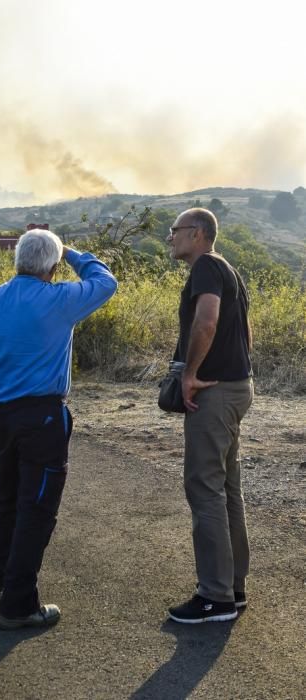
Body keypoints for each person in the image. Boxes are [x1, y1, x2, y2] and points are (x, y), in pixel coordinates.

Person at [0, 229, 118, 629]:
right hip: (42, 417)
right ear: (51, 265)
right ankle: (18, 605)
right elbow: (106, 282)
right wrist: (74, 253)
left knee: (6, 496)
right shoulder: (59, 299)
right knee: (38, 508)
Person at [165, 208, 254, 624]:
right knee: (225, 489)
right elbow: (245, 333)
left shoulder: (205, 268)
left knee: (204, 488)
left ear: (197, 234)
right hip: (236, 388)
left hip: (213, 392)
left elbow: (207, 321)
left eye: (175, 231)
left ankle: (215, 597)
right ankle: (232, 588)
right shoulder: (228, 269)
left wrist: (192, 374)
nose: (170, 238)